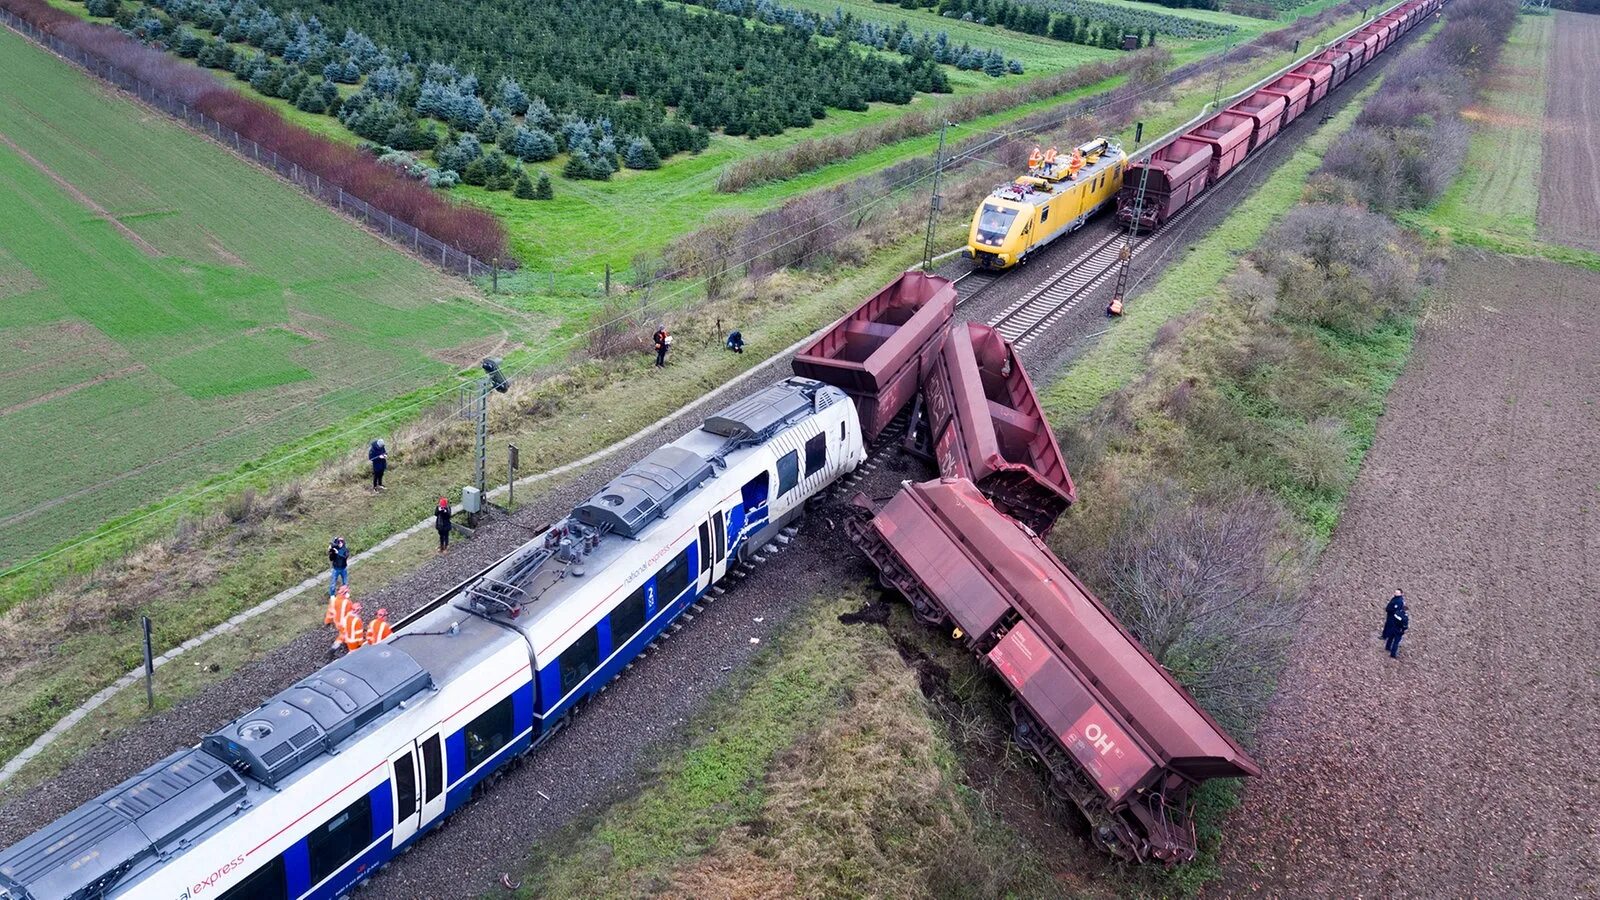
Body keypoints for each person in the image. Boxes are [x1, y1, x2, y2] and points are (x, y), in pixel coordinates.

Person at [1381, 591, 1409, 659]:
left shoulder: (1397, 613)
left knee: (1390, 638)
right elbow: (1405, 625)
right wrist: (1404, 629)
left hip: (1393, 627)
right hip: (1399, 630)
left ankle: (1387, 647)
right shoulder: (1405, 617)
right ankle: (1393, 654)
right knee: (1396, 642)